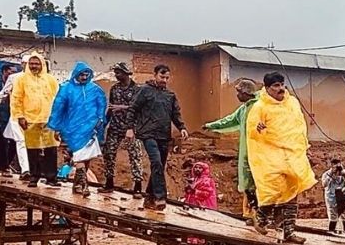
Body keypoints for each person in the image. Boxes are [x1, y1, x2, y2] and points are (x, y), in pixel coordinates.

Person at [246, 72, 317, 243]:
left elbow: (299, 126)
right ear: (267, 88)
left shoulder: (292, 103)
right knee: (274, 189)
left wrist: (302, 147)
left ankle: (289, 233)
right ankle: (262, 217)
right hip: (271, 155)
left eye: (282, 85)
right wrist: (259, 129)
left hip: (292, 153)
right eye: (276, 86)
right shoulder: (260, 107)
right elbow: (252, 131)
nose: (281, 89)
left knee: (294, 189)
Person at [126, 64, 189, 211]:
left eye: (167, 78)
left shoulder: (170, 96)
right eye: (162, 77)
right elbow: (132, 110)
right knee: (156, 162)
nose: (164, 80)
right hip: (147, 133)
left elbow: (176, 114)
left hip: (163, 135)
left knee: (159, 164)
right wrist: (129, 128)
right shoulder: (144, 91)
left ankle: (149, 196)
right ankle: (160, 197)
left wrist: (182, 128)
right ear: (155, 75)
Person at [203, 78, 262, 222]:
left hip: (260, 153)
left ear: (246, 93)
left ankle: (262, 215)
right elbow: (229, 120)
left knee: (260, 184)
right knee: (248, 184)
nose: (237, 95)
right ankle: (251, 214)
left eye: (239, 92)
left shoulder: (259, 108)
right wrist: (212, 125)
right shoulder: (243, 109)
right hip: (247, 151)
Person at [47, 61, 107, 197]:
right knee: (79, 157)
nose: (84, 77)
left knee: (86, 158)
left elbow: (101, 104)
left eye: (86, 74)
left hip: (90, 129)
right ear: (76, 74)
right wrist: (56, 126)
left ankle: (78, 185)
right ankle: (84, 185)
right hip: (72, 129)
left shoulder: (95, 89)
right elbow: (58, 108)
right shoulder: (66, 88)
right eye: (82, 74)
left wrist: (100, 119)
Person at [12, 52, 60, 187]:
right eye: (32, 63)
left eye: (37, 63)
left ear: (42, 64)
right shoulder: (21, 80)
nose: (34, 66)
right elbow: (16, 99)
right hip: (30, 119)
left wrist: (57, 118)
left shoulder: (50, 80)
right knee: (33, 149)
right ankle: (34, 177)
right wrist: (20, 116)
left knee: (51, 148)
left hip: (48, 119)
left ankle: (51, 178)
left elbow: (58, 100)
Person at [98, 62, 144, 197]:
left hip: (131, 128)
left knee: (135, 156)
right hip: (115, 127)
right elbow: (111, 108)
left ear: (126, 73)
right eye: (115, 73)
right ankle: (109, 183)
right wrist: (104, 124)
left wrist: (122, 108)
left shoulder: (137, 89)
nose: (116, 75)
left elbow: (139, 109)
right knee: (109, 154)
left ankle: (137, 186)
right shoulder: (114, 89)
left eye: (119, 73)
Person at [321, 159, 345, 233]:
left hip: (343, 195)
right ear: (331, 165)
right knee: (332, 213)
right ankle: (331, 230)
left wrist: (344, 175)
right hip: (332, 196)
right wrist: (330, 175)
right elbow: (324, 185)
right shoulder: (326, 174)